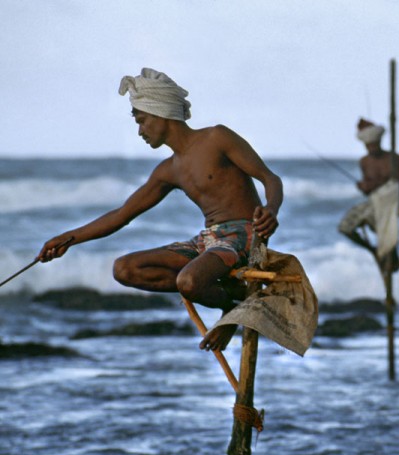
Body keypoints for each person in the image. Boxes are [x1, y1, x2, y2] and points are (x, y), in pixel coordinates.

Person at [37, 68, 283, 351]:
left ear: (160, 113)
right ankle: (234, 299)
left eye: (141, 121)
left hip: (244, 235)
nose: (140, 131)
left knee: (188, 281)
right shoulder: (167, 171)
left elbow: (269, 178)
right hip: (209, 240)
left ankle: (230, 313)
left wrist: (271, 209)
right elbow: (121, 215)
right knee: (125, 269)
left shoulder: (217, 138)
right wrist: (68, 239)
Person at [337, 118, 399, 271]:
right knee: (344, 227)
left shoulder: (394, 159)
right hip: (373, 203)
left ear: (379, 142)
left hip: (389, 203)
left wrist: (378, 186)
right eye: (368, 145)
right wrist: (364, 187)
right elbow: (368, 190)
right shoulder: (364, 162)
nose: (371, 148)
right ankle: (373, 250)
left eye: (373, 144)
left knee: (382, 229)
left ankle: (388, 256)